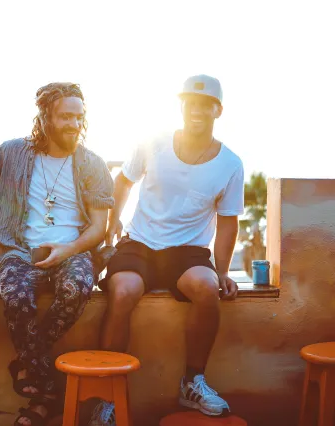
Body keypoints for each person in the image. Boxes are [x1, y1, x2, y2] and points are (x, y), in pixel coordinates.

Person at [0, 82, 114, 426]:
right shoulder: (13, 153)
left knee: (76, 287)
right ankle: (48, 388)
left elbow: (98, 228)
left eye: (78, 117)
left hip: (74, 250)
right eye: (65, 116)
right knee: (17, 297)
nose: (73, 124)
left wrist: (67, 249)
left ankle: (28, 366)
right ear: (45, 117)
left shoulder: (93, 165)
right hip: (18, 251)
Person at [91, 75, 244, 425]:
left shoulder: (230, 164)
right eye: (191, 103)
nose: (197, 110)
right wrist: (114, 221)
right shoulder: (154, 142)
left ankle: (192, 382)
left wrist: (222, 272)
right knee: (124, 290)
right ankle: (108, 395)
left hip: (187, 251)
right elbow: (123, 181)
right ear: (181, 106)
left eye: (206, 105)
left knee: (207, 289)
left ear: (217, 111)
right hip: (140, 243)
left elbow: (228, 223)